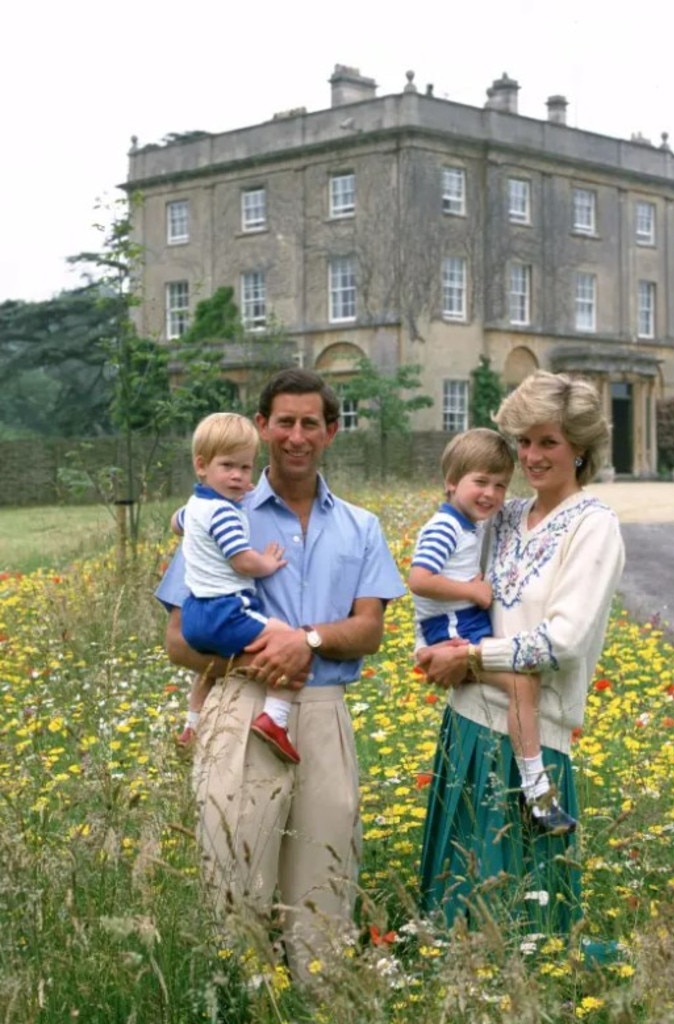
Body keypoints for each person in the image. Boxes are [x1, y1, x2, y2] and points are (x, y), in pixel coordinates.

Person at [155, 368, 406, 986]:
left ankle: (322, 997)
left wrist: (307, 641)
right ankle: (244, 997)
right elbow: (178, 638)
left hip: (322, 713)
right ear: (262, 427)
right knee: (234, 877)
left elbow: (369, 629)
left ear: (332, 432)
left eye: (310, 424)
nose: (297, 436)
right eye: (284, 422)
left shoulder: (360, 526)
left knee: (326, 877)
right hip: (241, 703)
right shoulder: (215, 512)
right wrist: (258, 659)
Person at [416, 370, 625, 938]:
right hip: (466, 724)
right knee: (458, 908)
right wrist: (432, 646)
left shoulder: (593, 526)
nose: (531, 456)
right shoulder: (503, 515)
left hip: (534, 739)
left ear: (580, 448)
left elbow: (562, 641)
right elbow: (447, 580)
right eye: (524, 442)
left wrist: (471, 657)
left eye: (548, 442)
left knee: (523, 920)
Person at [408, 428, 576, 835]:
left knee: (523, 686)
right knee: (522, 686)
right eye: (480, 482)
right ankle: (537, 793)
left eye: (500, 485)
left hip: (463, 625)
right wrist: (473, 590)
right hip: (454, 630)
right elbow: (418, 579)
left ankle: (534, 788)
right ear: (451, 482)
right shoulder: (445, 527)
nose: (491, 494)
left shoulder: (469, 525)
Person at [171, 411, 302, 764]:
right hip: (227, 609)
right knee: (290, 642)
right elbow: (242, 561)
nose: (238, 477)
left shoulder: (195, 505)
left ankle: (192, 725)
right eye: (228, 466)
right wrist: (268, 563)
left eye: (245, 469)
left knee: (208, 671)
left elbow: (176, 523)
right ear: (201, 466)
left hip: (195, 615)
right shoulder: (225, 513)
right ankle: (275, 719)